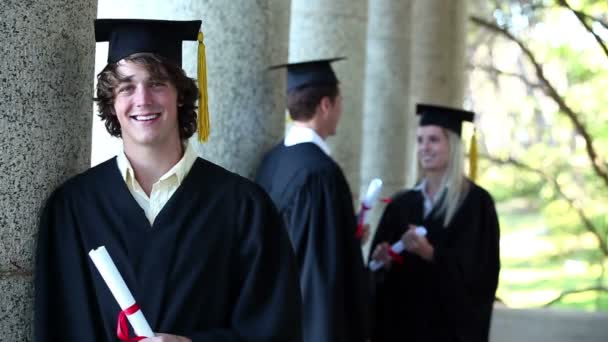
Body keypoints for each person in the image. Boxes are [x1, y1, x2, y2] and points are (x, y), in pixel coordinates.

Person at [35, 19, 302, 342]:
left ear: (179, 94)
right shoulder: (74, 207)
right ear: (112, 103)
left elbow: (275, 329)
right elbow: (61, 325)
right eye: (127, 87)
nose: (143, 99)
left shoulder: (245, 206)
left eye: (157, 83)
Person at [255, 58, 370, 342]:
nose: (342, 109)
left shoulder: (273, 160)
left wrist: (346, 234)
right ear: (326, 105)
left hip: (273, 314)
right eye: (340, 100)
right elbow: (320, 270)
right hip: (311, 324)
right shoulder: (320, 173)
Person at [369, 104, 500, 342]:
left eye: (433, 140)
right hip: (402, 328)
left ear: (453, 145)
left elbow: (482, 275)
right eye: (419, 140)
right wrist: (382, 260)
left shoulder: (476, 204)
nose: (424, 148)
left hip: (448, 331)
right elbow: (376, 277)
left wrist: (430, 253)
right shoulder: (401, 204)